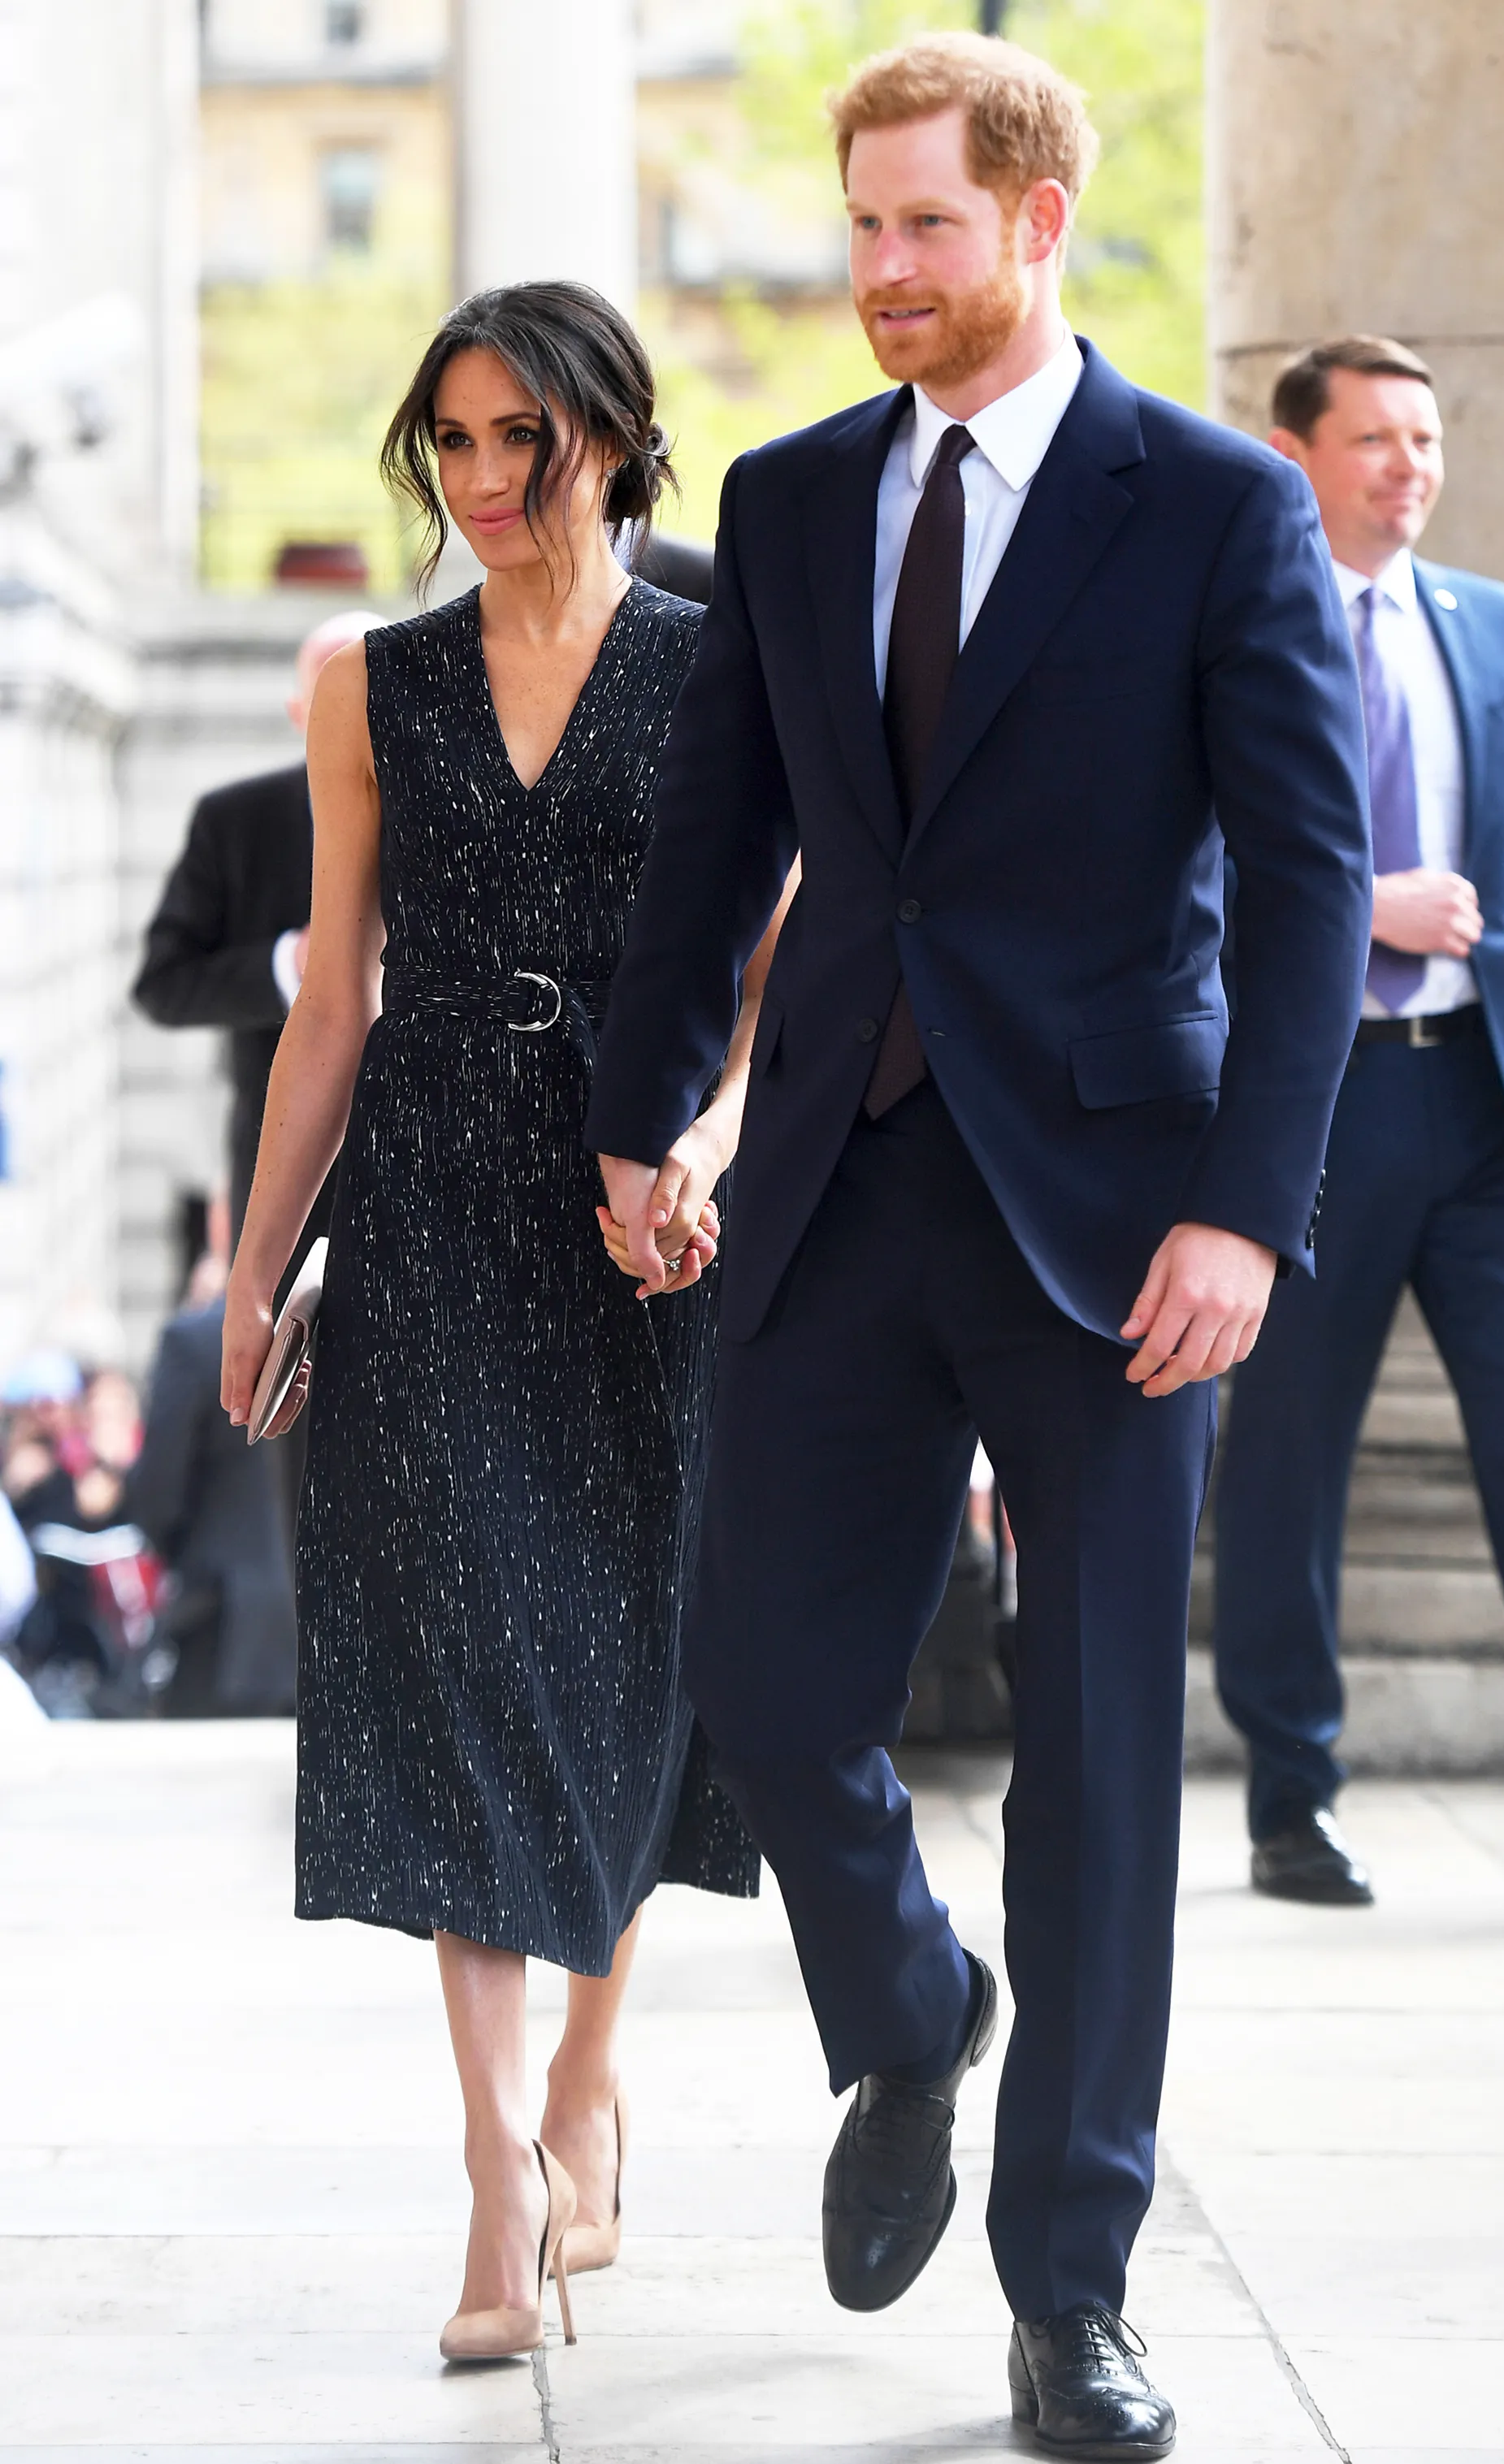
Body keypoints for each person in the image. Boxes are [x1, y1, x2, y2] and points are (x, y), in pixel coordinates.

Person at [587, 34, 1371, 2457]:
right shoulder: (798, 498)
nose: (881, 276)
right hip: (834, 1184)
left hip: (1125, 1221)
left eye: (926, 229)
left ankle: (1072, 2293)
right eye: (862, 232)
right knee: (764, 1681)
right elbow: (722, 836)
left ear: (1039, 225)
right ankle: (914, 2018)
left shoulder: (1217, 510)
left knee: (1102, 1767)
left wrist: (1249, 1206)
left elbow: (1318, 882)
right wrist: (639, 1121)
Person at [219, 280, 773, 2361]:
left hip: (640, 1217)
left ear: (613, 439)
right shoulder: (367, 681)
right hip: (435, 1207)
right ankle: (491, 2169)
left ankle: (588, 2073)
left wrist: (699, 1152)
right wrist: (261, 1264)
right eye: (446, 443)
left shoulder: (729, 677)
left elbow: (769, 997)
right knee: (462, 1670)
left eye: (516, 442)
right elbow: (328, 1006)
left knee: (622, 1663)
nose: (478, 483)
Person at [1211, 335, 1504, 1921]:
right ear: (1293, 454)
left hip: (1491, 1109)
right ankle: (1290, 1798)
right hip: (1310, 1107)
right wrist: (1356, 901)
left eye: (1425, 439)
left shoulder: (1497, 626)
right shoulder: (1238, 630)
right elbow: (1178, 866)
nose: (1408, 465)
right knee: (1287, 1464)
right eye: (1375, 437)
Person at [132, 610, 380, 1249]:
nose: (355, 718)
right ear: (300, 714)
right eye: (333, 701)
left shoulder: (460, 816)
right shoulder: (233, 821)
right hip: (283, 1187)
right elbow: (162, 983)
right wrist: (286, 966)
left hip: (434, 1168)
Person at [124, 1291, 297, 1717]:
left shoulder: (195, 1338)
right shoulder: (349, 1327)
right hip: (335, 1624)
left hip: (224, 1624)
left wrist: (172, 1548)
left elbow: (159, 1489)